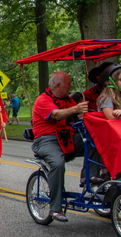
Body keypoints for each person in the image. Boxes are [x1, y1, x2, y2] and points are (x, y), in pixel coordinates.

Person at [31, 71, 101, 222]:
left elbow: (81, 116)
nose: (71, 86)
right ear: (57, 85)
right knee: (57, 163)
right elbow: (56, 115)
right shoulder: (42, 100)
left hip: (68, 137)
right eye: (68, 83)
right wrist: (76, 109)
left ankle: (89, 178)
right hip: (46, 140)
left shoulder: (69, 101)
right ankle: (55, 208)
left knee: (96, 141)